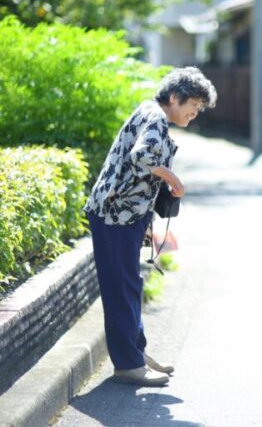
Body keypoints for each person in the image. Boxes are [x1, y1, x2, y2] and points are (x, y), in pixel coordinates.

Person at [84, 67, 217, 386]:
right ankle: (128, 364)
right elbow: (141, 157)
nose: (194, 113)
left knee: (129, 285)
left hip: (122, 216)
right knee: (122, 288)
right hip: (115, 216)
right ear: (174, 97)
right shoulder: (156, 117)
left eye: (198, 109)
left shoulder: (150, 112)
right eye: (193, 106)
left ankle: (135, 354)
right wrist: (174, 178)